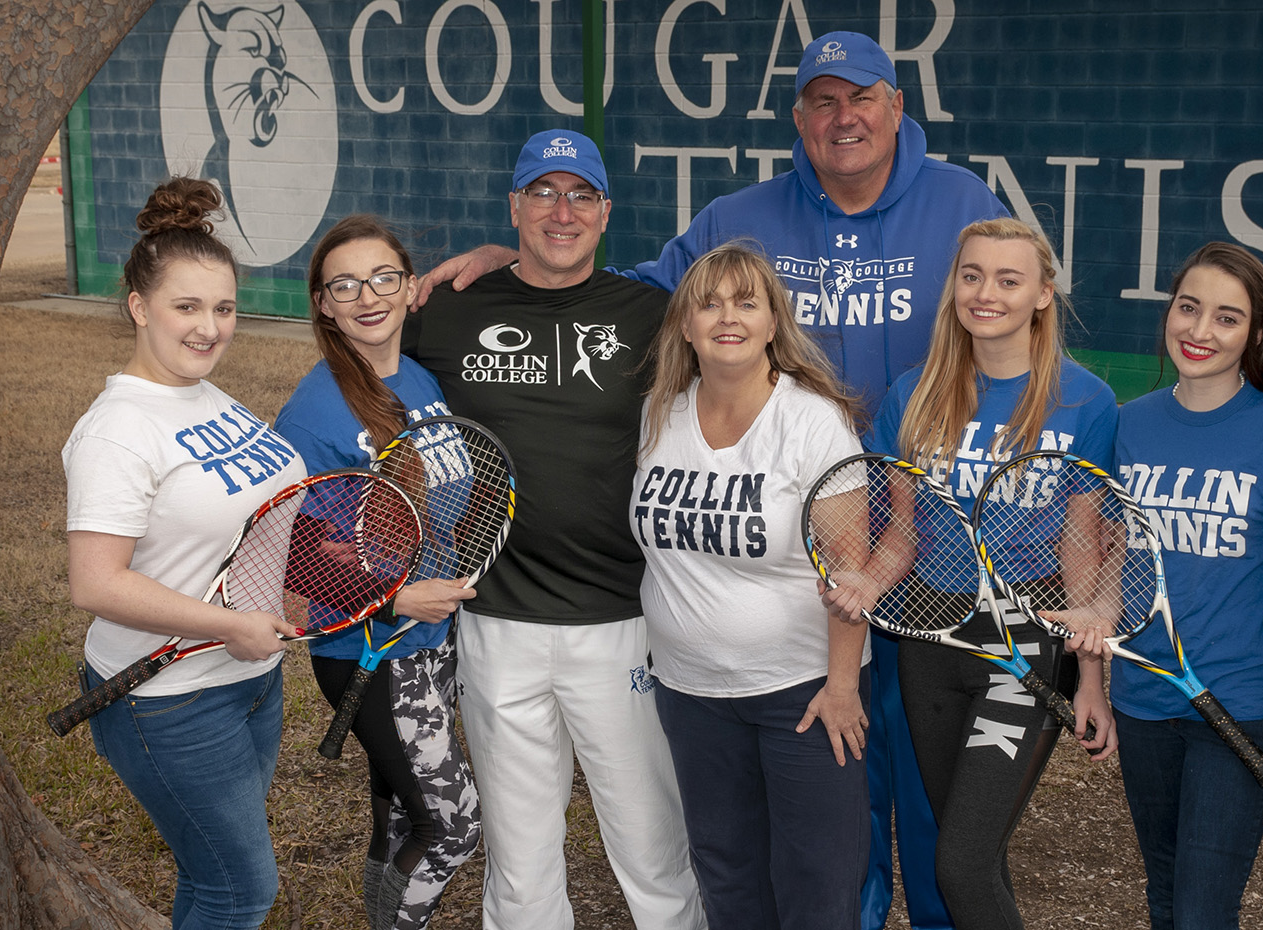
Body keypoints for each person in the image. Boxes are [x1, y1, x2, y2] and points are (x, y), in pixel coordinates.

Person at [417, 33, 1009, 927]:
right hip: (715, 653)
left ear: (896, 107)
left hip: (914, 539)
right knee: (760, 849)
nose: (842, 118)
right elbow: (631, 289)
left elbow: (1003, 308)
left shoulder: (963, 203)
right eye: (821, 101)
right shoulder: (736, 229)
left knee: (914, 798)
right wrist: (515, 265)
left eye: (862, 99)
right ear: (799, 116)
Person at [401, 131, 706, 930]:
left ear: (607, 212)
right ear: (514, 205)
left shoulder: (654, 314)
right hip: (495, 617)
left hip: (624, 618)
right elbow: (368, 393)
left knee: (652, 843)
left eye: (580, 195)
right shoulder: (448, 307)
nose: (560, 211)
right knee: (520, 853)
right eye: (542, 192)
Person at [843, 217, 1116, 930]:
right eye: (971, 276)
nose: (984, 292)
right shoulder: (916, 393)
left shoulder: (1086, 402)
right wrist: (867, 583)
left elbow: (1082, 549)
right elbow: (902, 532)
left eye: (1006, 279)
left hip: (1025, 644)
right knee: (973, 854)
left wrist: (1091, 681)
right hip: (931, 642)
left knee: (958, 863)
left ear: (1042, 295)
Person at [62, 177, 306, 929]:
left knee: (212, 877)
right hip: (167, 701)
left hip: (251, 685)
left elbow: (249, 514)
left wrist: (290, 579)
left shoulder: (208, 396)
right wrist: (229, 625)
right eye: (187, 307)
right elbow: (96, 584)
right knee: (242, 891)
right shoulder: (118, 430)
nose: (210, 328)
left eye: (224, 308)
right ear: (139, 306)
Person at [633, 242, 872, 928]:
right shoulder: (661, 414)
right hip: (690, 694)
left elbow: (849, 568)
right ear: (685, 325)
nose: (727, 318)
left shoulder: (812, 422)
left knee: (816, 888)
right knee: (727, 877)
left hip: (800, 695)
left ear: (774, 322)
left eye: (746, 302)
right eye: (708, 303)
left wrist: (843, 686)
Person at [273, 215, 480, 930]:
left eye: (383, 277)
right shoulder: (314, 412)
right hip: (369, 652)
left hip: (429, 644)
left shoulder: (416, 379)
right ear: (324, 303)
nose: (368, 296)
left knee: (397, 818)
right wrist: (398, 596)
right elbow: (295, 558)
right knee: (451, 827)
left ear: (409, 286)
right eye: (345, 284)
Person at [1109, 242, 1263, 930]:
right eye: (1188, 308)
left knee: (1203, 910)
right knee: (1166, 895)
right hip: (1144, 698)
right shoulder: (1129, 423)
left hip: (1242, 701)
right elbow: (1110, 554)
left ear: (1256, 334)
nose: (1199, 332)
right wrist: (1093, 668)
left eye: (1226, 319)